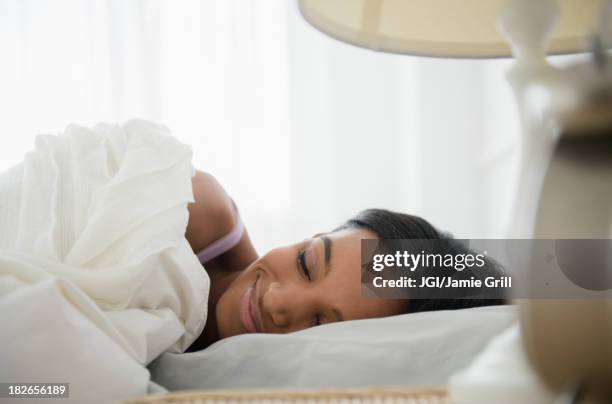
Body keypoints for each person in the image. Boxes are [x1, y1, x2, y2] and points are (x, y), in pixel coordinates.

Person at [186, 171, 506, 351]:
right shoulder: (200, 211)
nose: (276, 301)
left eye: (319, 324)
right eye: (305, 264)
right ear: (316, 235)